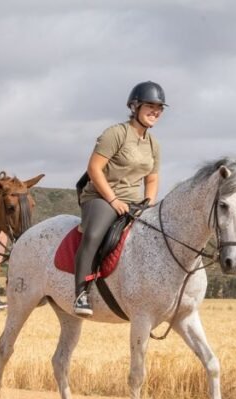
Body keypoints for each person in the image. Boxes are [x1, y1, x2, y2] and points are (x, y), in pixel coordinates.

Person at [74, 81, 165, 315]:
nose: (155, 111)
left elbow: (152, 180)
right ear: (135, 106)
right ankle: (81, 293)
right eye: (150, 106)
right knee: (94, 234)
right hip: (101, 197)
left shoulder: (154, 145)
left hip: (134, 204)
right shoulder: (115, 134)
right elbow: (94, 169)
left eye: (159, 108)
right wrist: (113, 200)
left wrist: (148, 204)